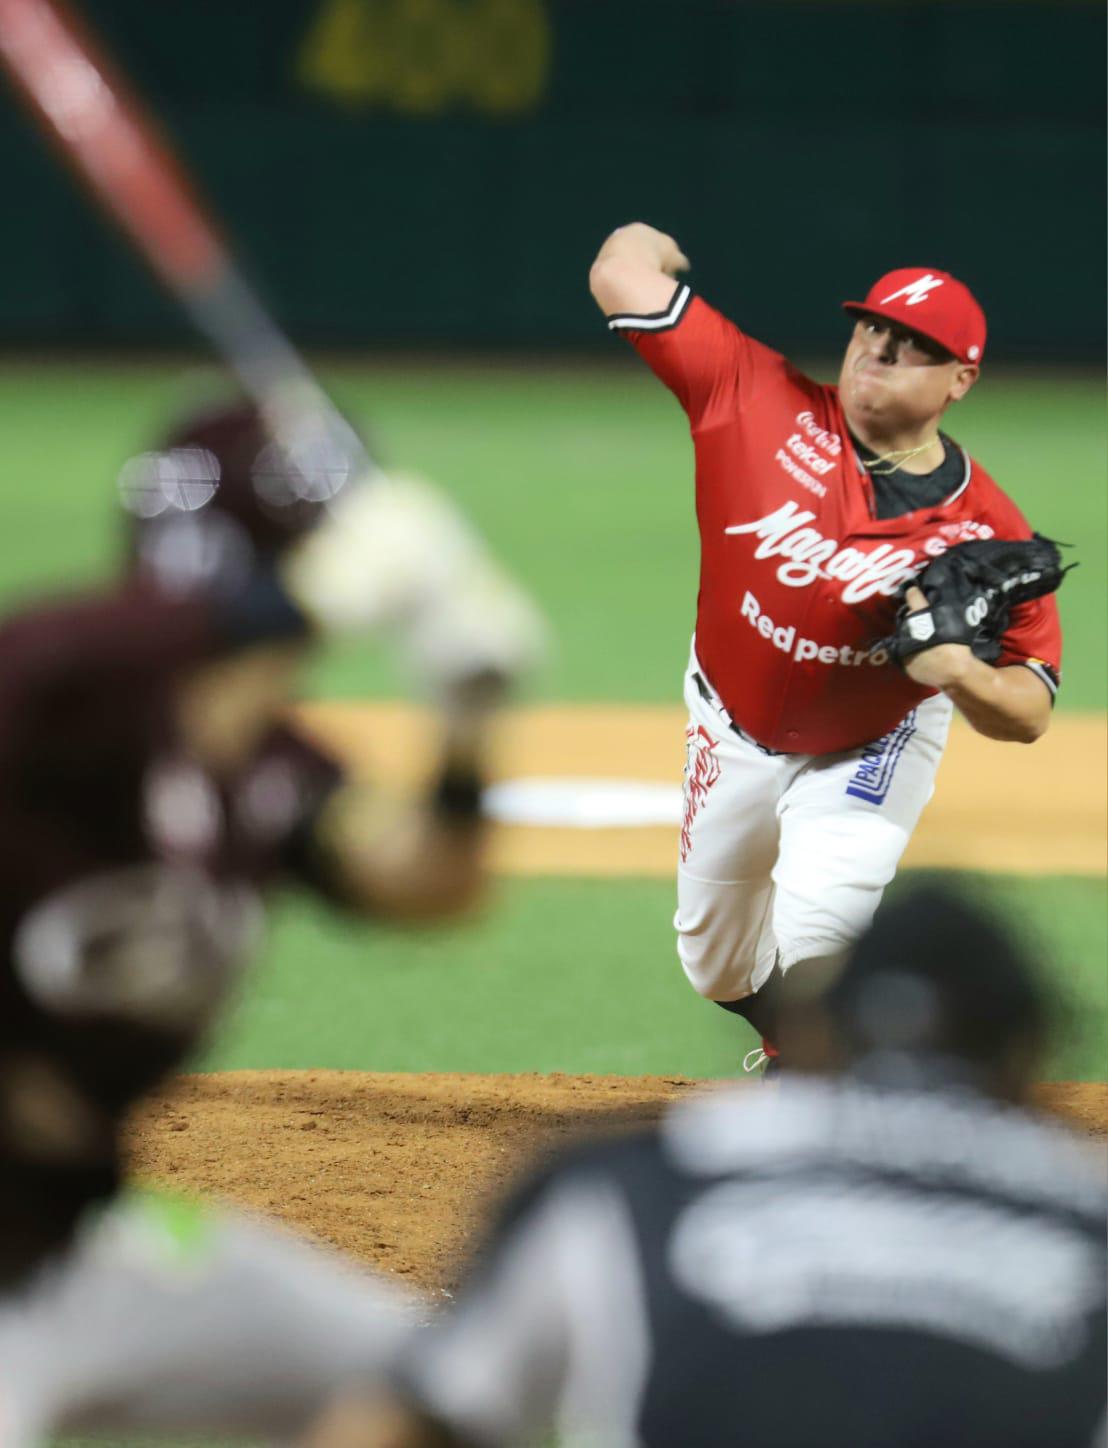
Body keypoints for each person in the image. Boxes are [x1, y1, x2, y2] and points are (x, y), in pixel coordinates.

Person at [0, 396, 544, 1441]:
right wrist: (314, 591)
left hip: (79, 1238)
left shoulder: (263, 761)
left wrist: (469, 730)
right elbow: (91, 656)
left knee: (446, 1390)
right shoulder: (56, 682)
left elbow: (428, 887)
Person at [306, 881, 1107, 1448]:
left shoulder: (628, 1174)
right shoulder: (1085, 1206)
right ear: (1026, 1057)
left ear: (818, 1037)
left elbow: (406, 1423)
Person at [586, 224, 1065, 1067]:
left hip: (871, 745)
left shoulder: (985, 527)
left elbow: (1029, 708)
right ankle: (794, 1047)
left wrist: (958, 671)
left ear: (962, 379)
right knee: (716, 962)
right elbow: (618, 270)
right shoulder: (749, 394)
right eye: (872, 328)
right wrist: (651, 242)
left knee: (818, 940)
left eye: (913, 346)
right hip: (728, 722)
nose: (879, 349)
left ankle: (841, 1097)